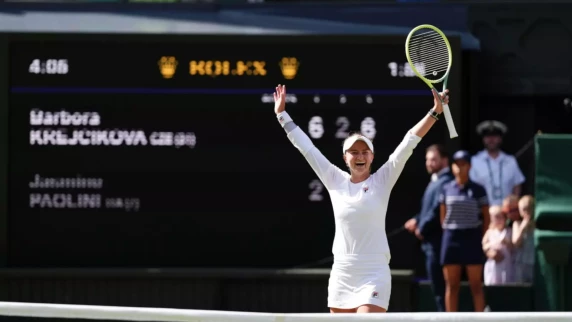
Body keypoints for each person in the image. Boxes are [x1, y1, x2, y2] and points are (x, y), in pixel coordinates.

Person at [273, 84, 449, 313]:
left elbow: (409, 141)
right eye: (353, 152)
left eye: (364, 152)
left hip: (374, 272)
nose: (359, 156)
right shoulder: (334, 179)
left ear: (372, 156)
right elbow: (306, 147)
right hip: (342, 273)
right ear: (345, 158)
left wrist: (435, 112)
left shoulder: (383, 179)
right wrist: (281, 115)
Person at [404, 144, 453, 311]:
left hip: (438, 245)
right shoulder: (435, 181)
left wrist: (421, 228)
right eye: (427, 160)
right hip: (430, 244)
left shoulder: (446, 182)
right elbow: (427, 210)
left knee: (441, 289)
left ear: (444, 160)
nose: (429, 163)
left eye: (433, 160)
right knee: (437, 289)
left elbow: (436, 211)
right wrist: (416, 220)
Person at [439, 150, 489, 312]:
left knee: (476, 285)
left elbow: (486, 218)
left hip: (472, 238)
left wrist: (481, 237)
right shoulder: (446, 189)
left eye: (464, 164)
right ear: (452, 167)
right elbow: (443, 216)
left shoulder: (479, 190)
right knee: (452, 286)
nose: (460, 168)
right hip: (451, 239)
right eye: (457, 164)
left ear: (469, 166)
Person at [469, 120, 526, 206]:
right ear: (483, 139)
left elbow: (517, 185)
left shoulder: (510, 161)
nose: (491, 140)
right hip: (483, 211)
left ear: (500, 138)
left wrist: (513, 206)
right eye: (488, 136)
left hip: (506, 211)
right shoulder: (475, 160)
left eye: (495, 136)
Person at [483, 205, 514, 285]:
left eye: (501, 217)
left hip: (506, 264)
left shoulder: (509, 231)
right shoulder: (490, 232)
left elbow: (514, 247)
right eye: (496, 218)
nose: (499, 220)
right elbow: (484, 245)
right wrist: (490, 248)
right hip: (493, 266)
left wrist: (506, 242)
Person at [512, 195, 535, 283]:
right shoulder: (517, 224)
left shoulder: (538, 225)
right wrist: (522, 228)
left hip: (534, 263)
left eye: (529, 209)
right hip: (521, 263)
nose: (526, 212)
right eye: (523, 209)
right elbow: (516, 242)